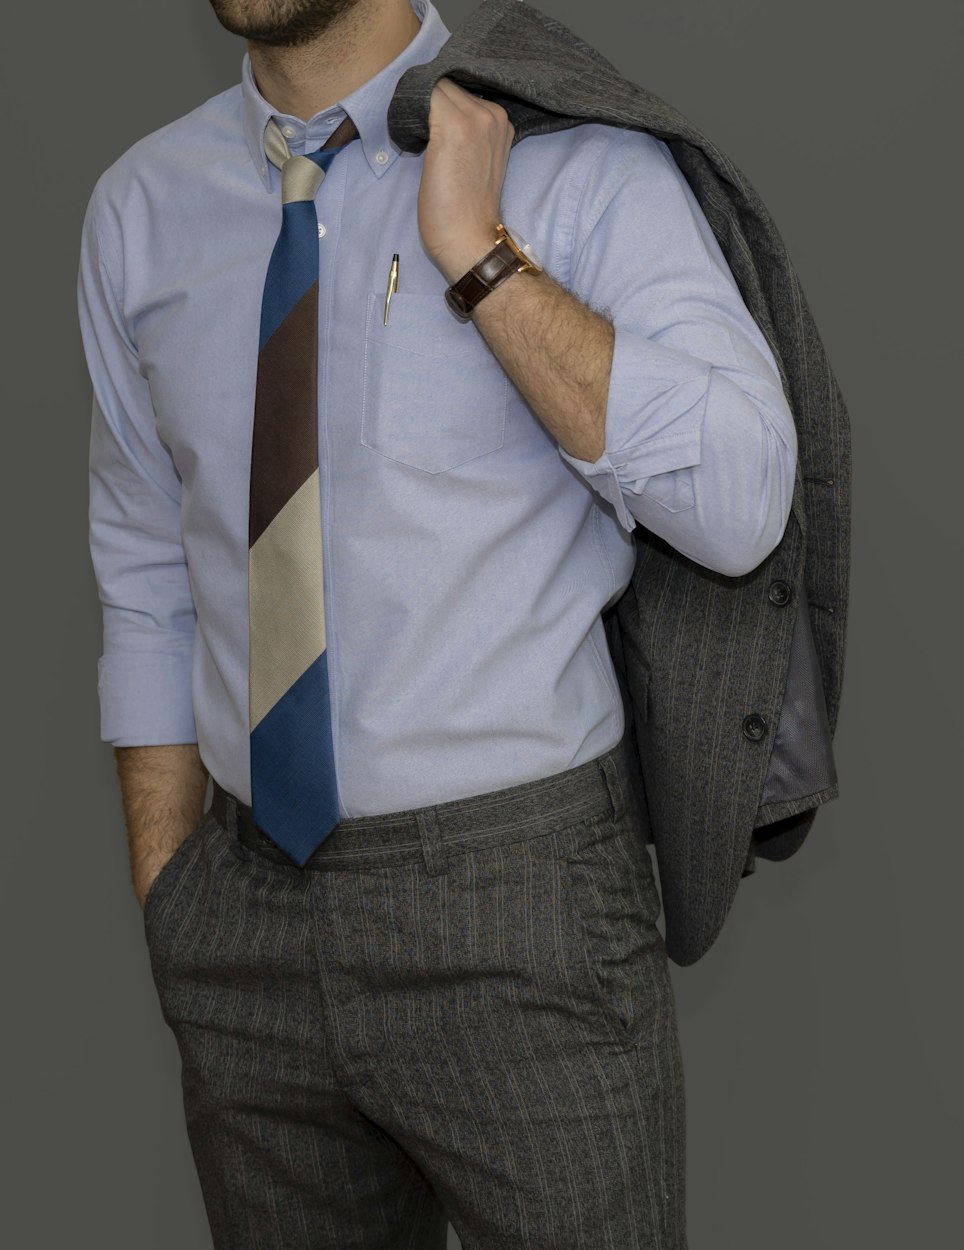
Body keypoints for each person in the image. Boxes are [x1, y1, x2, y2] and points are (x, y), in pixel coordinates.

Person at [77, 0, 798, 1245]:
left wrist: (481, 253)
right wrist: (171, 887)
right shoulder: (139, 209)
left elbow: (741, 502)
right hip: (241, 908)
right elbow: (145, 558)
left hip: (517, 908)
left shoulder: (571, 161)